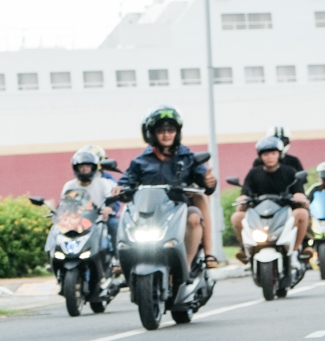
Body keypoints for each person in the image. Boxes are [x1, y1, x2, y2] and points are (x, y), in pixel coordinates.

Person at [114, 105, 219, 268]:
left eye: (171, 130)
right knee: (126, 216)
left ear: (177, 132)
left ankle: (189, 264)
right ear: (152, 133)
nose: (166, 135)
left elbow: (204, 182)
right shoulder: (140, 161)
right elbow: (127, 180)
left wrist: (208, 181)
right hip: (149, 213)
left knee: (194, 217)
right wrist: (120, 188)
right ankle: (121, 260)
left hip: (179, 210)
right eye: (161, 131)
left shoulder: (188, 157)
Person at [231, 135, 309, 264]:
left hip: (284, 210)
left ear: (279, 154)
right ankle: (247, 250)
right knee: (237, 216)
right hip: (259, 213)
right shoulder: (254, 173)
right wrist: (242, 198)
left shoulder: (290, 171)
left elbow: (299, 192)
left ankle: (294, 253)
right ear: (260, 156)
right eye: (266, 154)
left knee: (302, 213)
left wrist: (299, 196)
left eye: (273, 153)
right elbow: (245, 192)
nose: (270, 157)